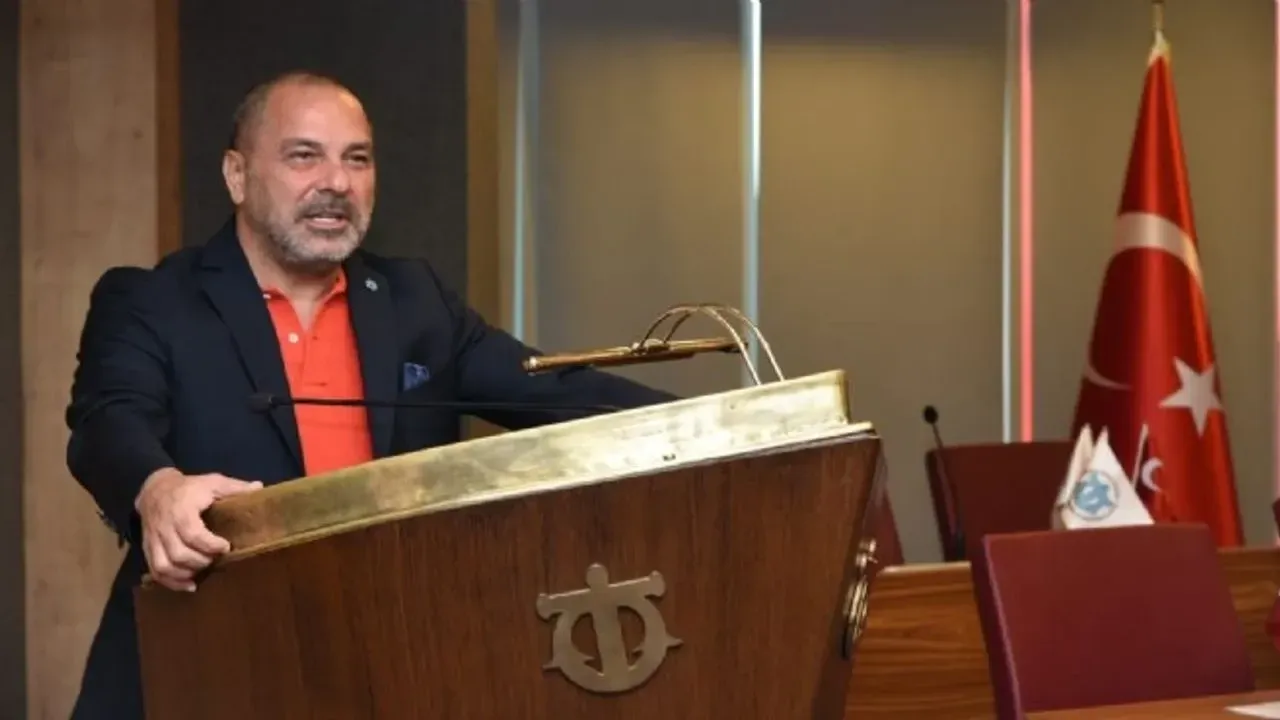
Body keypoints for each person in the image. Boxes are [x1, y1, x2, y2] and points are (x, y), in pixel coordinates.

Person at [64, 70, 676, 719]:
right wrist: (157, 489)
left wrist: (720, 425)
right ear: (237, 175)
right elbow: (109, 419)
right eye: (305, 156)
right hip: (200, 668)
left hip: (374, 671)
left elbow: (554, 390)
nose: (337, 182)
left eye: (357, 159)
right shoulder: (154, 300)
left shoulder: (414, 302)